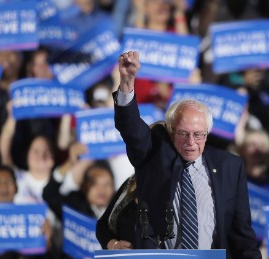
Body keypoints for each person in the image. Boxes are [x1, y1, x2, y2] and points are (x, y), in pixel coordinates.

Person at [110, 51, 261, 258]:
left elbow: (242, 235)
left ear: (207, 133)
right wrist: (127, 82)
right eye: (183, 134)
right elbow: (132, 129)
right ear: (171, 131)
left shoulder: (230, 167)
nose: (191, 142)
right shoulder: (153, 157)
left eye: (199, 135)